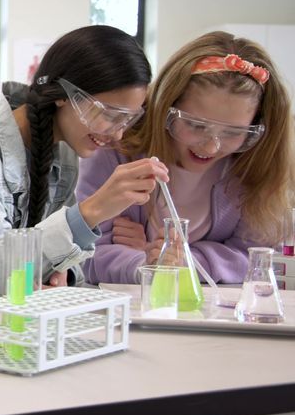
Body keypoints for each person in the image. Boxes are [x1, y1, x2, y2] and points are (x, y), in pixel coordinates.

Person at [0, 25, 169, 291]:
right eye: (110, 115)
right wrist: (92, 211)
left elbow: (48, 256)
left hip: (2, 305)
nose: (118, 134)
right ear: (64, 95)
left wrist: (61, 271)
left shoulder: (64, 150)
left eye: (127, 119)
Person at [78, 31, 293, 283]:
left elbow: (258, 257)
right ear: (165, 108)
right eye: (195, 125)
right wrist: (145, 265)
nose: (211, 148)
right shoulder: (117, 148)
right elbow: (85, 254)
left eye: (233, 133)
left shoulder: (254, 166)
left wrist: (182, 261)